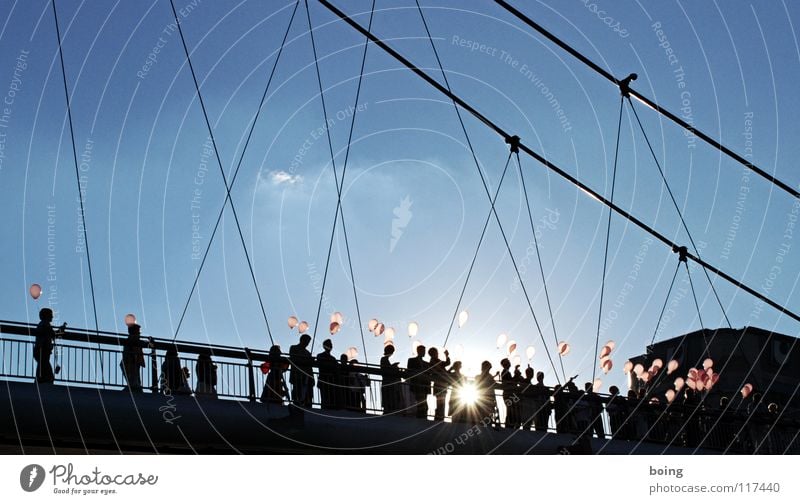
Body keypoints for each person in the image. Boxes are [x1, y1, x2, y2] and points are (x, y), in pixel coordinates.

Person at [289, 334, 314, 407]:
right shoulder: (293, 348)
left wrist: (312, 378)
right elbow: (294, 358)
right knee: (297, 395)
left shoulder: (308, 353)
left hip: (307, 377)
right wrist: (307, 360)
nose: (307, 343)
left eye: (308, 342)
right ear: (301, 340)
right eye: (306, 341)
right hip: (297, 376)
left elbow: (310, 367)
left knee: (308, 396)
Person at [33, 308, 57, 384]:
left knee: (42, 371)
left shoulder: (42, 324)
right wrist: (61, 331)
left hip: (40, 350)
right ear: (47, 315)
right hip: (42, 351)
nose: (52, 317)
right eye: (51, 315)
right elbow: (53, 334)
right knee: (48, 375)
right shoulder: (45, 324)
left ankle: (36, 386)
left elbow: (52, 334)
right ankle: (38, 387)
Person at [406, 344, 429, 419]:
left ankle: (423, 417)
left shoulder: (426, 363)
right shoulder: (411, 360)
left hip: (424, 386)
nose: (424, 353)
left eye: (424, 351)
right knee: (417, 403)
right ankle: (419, 417)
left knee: (424, 403)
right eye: (423, 351)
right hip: (416, 384)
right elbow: (409, 370)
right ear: (418, 351)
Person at [427, 347, 450, 421]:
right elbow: (446, 363)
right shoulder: (434, 361)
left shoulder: (434, 361)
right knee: (441, 403)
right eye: (436, 352)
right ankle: (439, 418)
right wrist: (446, 355)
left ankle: (439, 417)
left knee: (441, 403)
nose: (438, 354)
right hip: (439, 385)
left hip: (440, 384)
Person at [120, 323, 145, 392]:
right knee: (133, 377)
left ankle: (135, 386)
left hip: (133, 361)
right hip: (131, 361)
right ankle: (135, 387)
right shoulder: (132, 340)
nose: (139, 334)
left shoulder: (130, 340)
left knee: (134, 377)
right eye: (138, 332)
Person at [473, 361, 498, 426]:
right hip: (482, 399)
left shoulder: (487, 376)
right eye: (489, 368)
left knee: (487, 415)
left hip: (487, 399)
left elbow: (493, 383)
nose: (489, 370)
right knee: (482, 415)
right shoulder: (480, 376)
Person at [316, 339, 337, 410]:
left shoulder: (333, 359)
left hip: (331, 381)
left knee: (331, 397)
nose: (330, 346)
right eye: (329, 345)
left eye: (331, 345)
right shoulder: (320, 356)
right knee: (325, 398)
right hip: (324, 380)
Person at [380, 344, 401, 414]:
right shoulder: (383, 359)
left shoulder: (385, 359)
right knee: (389, 400)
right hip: (387, 383)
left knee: (389, 400)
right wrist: (394, 366)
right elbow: (386, 370)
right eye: (391, 351)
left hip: (388, 383)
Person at [500, 359, 520, 429]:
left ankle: (510, 425)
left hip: (509, 394)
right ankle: (509, 426)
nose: (509, 362)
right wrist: (516, 375)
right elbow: (510, 382)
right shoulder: (505, 372)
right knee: (511, 410)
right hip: (508, 394)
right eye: (508, 362)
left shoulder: (506, 372)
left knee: (511, 410)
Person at [519, 366, 536, 431]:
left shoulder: (525, 381)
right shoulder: (525, 381)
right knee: (526, 420)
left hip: (528, 402)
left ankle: (526, 429)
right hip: (526, 402)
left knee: (527, 420)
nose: (532, 374)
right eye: (531, 373)